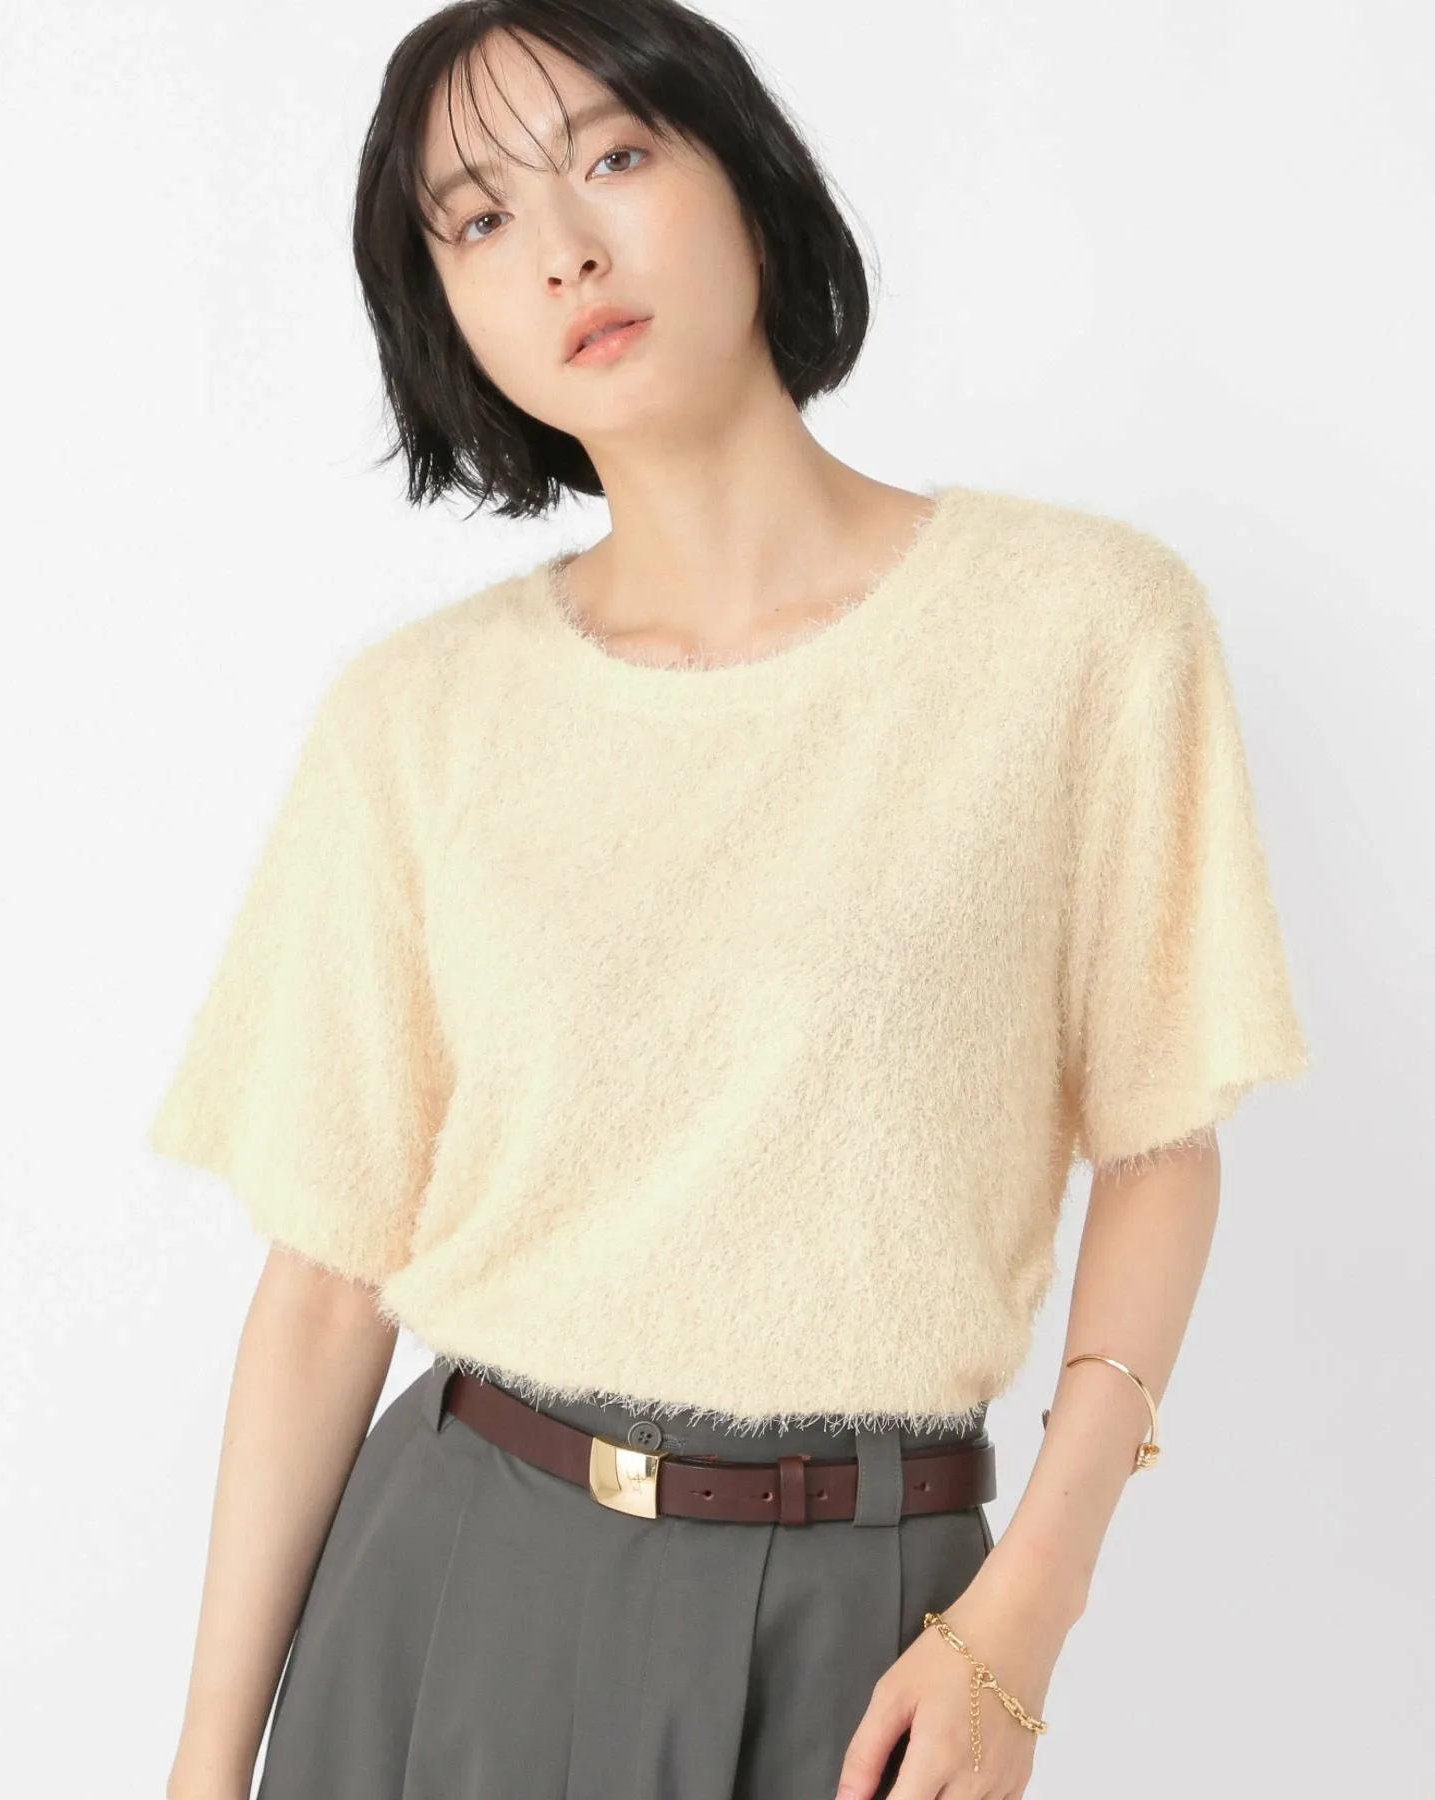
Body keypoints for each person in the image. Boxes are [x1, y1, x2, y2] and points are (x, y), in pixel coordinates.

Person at [149, 4, 1310, 1798]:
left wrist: (1031, 1605)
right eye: (479, 219)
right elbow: (324, 1285)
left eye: (615, 156)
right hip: (460, 1589)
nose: (565, 250)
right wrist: (202, 1770)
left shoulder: (1082, 629)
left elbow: (1161, 1143)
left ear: (749, 177)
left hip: (880, 1619)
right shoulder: (418, 718)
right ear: (442, 309)